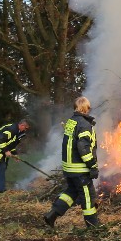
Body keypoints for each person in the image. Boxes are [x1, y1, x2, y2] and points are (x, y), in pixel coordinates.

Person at [43, 97, 100, 229]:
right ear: (86, 108)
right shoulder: (84, 125)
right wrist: (92, 165)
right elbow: (83, 147)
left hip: (69, 168)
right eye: (88, 107)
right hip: (80, 169)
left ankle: (52, 214)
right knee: (88, 197)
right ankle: (93, 226)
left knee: (71, 192)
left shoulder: (71, 122)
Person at [0, 119, 30, 193]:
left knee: (2, 168)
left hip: (1, 151)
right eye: (26, 128)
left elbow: (12, 144)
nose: (26, 130)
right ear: (22, 125)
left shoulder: (20, 133)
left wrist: (15, 154)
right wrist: (6, 151)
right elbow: (0, 139)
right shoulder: (12, 130)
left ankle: (1, 189)